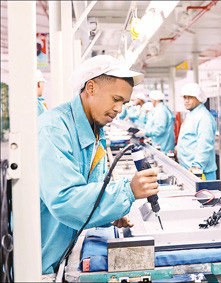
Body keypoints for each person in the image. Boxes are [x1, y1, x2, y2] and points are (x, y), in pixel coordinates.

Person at [38, 55, 159, 274]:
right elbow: (65, 199)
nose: (119, 108)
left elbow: (86, 192)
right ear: (91, 87)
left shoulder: (94, 132)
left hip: (60, 254)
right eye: (115, 98)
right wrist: (127, 191)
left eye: (123, 102)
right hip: (39, 261)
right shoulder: (54, 129)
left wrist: (108, 212)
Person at [177, 83, 217, 180]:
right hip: (189, 169)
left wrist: (196, 166)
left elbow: (205, 144)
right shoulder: (193, 114)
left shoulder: (203, 117)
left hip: (200, 173)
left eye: (190, 97)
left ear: (199, 98)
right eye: (184, 98)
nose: (186, 101)